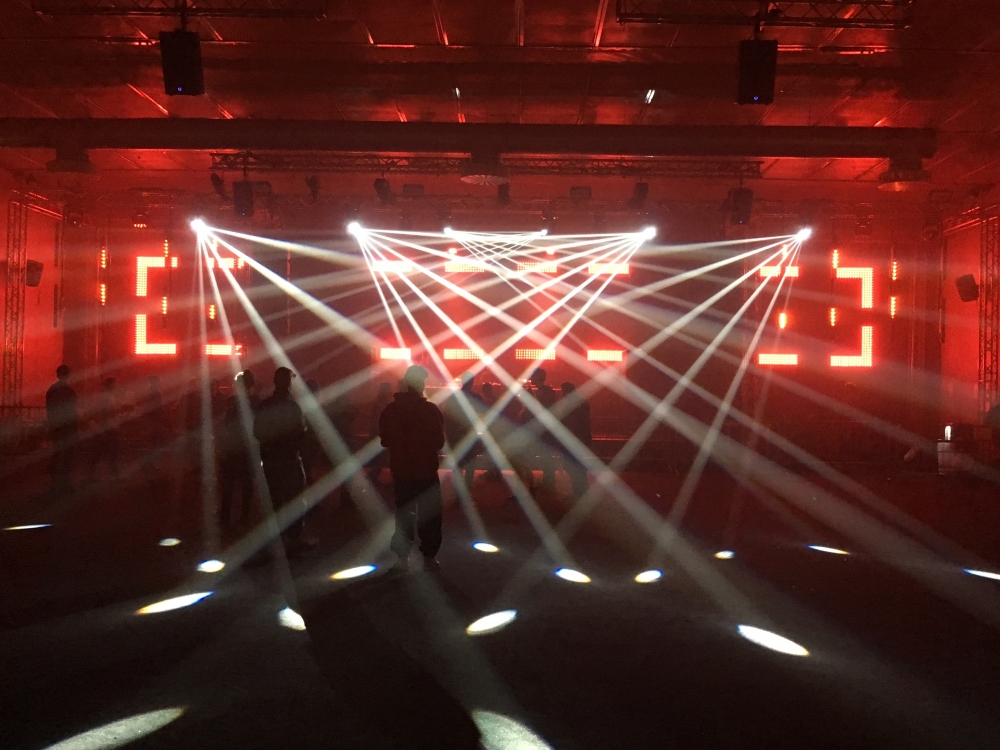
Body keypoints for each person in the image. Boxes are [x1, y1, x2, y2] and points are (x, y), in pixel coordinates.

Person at [378, 365, 445, 572]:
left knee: (404, 514)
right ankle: (429, 557)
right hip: (426, 471)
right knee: (430, 516)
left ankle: (402, 558)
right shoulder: (430, 410)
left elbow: (384, 440)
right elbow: (439, 442)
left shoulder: (391, 410)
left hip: (402, 470)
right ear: (421, 384)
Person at [254, 367, 308, 553]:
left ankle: (274, 541)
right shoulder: (292, 406)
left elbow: (257, 432)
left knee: (273, 502)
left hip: (270, 461)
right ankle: (294, 540)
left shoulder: (265, 405)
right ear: (289, 382)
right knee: (295, 501)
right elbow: (301, 432)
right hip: (289, 460)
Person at [218, 372, 257, 534]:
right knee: (246, 484)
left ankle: (226, 516)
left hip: (234, 447)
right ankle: (242, 517)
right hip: (247, 448)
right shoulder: (255, 402)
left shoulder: (233, 401)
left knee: (229, 484)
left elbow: (226, 424)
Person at [443, 372, 486, 493]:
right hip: (470, 434)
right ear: (472, 382)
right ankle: (467, 488)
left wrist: (449, 433)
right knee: (471, 463)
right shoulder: (476, 398)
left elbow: (446, 416)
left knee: (457, 463)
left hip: (456, 436)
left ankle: (459, 489)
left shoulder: (454, 397)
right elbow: (483, 415)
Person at [45, 365, 78, 494]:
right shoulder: (70, 391)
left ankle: (56, 484)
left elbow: (50, 410)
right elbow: (72, 410)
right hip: (67, 427)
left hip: (57, 427)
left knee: (58, 455)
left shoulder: (52, 391)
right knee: (67, 455)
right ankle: (65, 483)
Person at [558, 382, 592, 500]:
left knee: (573, 465)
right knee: (576, 465)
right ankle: (580, 490)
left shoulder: (574, 404)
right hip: (576, 437)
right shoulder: (580, 402)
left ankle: (580, 490)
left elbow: (574, 422)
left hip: (574, 438)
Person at [528, 368, 557, 491]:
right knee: (544, 455)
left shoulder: (545, 392)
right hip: (541, 428)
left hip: (544, 429)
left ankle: (548, 481)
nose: (530, 378)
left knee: (544, 455)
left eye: (533, 376)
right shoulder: (541, 391)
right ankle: (547, 481)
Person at [89, 377, 120, 480]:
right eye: (114, 384)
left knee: (105, 451)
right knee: (109, 451)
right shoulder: (106, 397)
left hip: (107, 427)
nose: (116, 386)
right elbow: (104, 412)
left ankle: (113, 473)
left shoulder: (108, 397)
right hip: (107, 428)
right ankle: (114, 473)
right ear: (110, 386)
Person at [366, 382, 393, 484]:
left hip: (378, 433)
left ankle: (373, 476)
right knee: (381, 457)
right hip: (380, 434)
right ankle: (373, 476)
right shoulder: (382, 404)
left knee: (380, 457)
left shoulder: (380, 403)